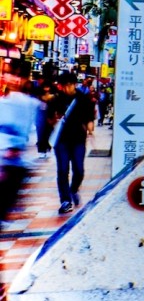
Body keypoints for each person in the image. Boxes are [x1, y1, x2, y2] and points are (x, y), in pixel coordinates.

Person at [0, 59, 44, 225]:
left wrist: (13, 148)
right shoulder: (5, 102)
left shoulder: (30, 104)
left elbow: (28, 135)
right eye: (8, 73)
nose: (12, 78)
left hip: (12, 166)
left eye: (16, 75)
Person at [47, 71, 95, 215]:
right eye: (64, 86)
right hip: (61, 140)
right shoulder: (56, 99)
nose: (67, 88)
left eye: (70, 85)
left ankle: (73, 189)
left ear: (75, 84)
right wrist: (55, 121)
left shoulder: (83, 99)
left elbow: (89, 118)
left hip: (78, 139)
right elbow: (49, 118)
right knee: (62, 170)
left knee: (79, 170)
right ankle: (65, 200)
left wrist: (90, 130)